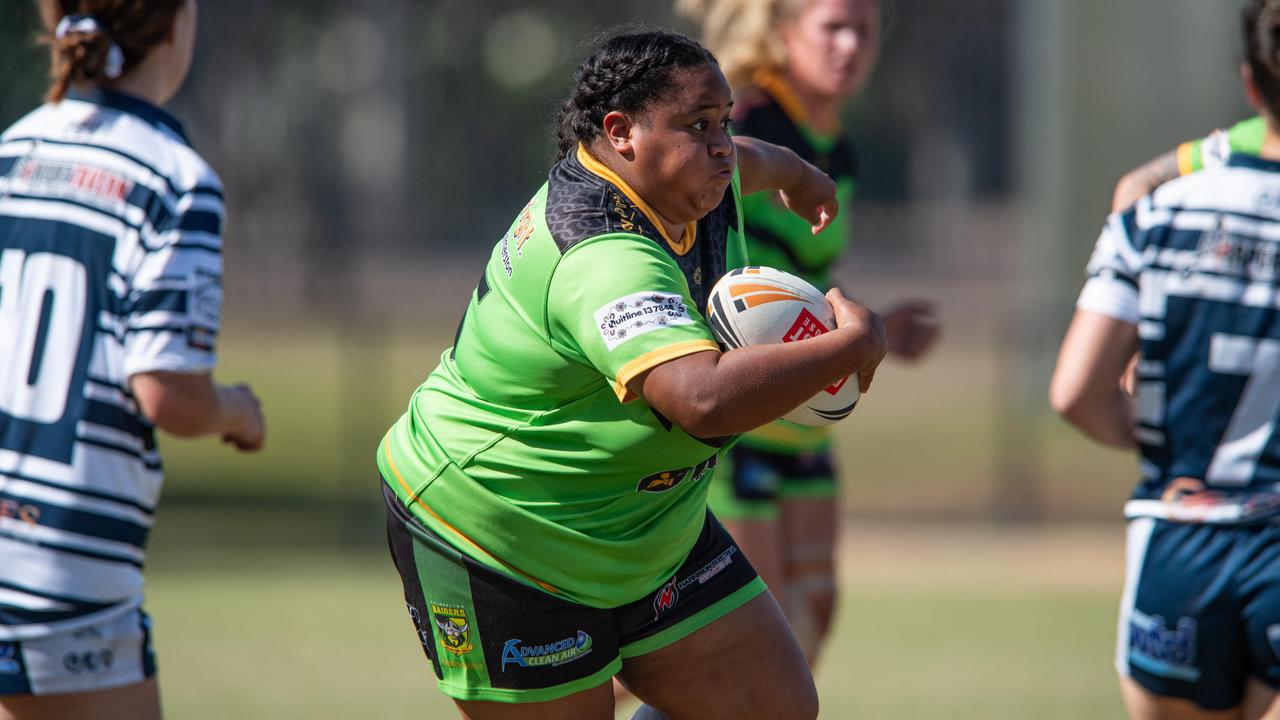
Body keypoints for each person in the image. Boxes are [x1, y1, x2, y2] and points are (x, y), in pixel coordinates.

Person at [379, 29, 887, 719]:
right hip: (501, 535)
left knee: (772, 706)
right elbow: (701, 399)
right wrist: (848, 345)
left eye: (724, 122)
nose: (720, 144)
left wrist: (801, 176)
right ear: (621, 133)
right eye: (698, 124)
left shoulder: (694, 177)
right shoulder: (602, 254)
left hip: (643, 528)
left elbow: (752, 162)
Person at [0, 2, 264, 718]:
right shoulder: (176, 180)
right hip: (62, 563)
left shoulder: (12, 149)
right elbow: (167, 394)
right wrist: (238, 409)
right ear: (179, 25)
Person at [679, 0, 939, 663]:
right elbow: (727, 271)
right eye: (834, 27)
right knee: (741, 644)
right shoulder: (750, 124)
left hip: (807, 420)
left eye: (864, 30)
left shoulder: (839, 151)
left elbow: (800, 280)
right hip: (747, 421)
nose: (850, 45)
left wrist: (870, 320)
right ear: (786, 33)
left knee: (810, 615)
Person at [1050, 2, 1280, 717]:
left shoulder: (1160, 212)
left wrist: (1166, 434)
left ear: (1250, 82)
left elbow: (1074, 394)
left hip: (1180, 540)